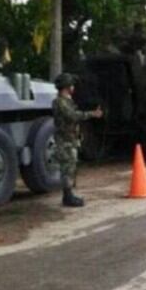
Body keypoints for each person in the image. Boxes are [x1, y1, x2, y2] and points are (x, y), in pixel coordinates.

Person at [52, 73, 103, 207]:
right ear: (67, 86)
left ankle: (69, 195)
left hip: (70, 139)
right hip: (65, 140)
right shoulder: (60, 102)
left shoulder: (66, 100)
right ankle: (67, 197)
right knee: (67, 167)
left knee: (71, 166)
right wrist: (92, 114)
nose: (73, 87)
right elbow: (73, 116)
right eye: (71, 85)